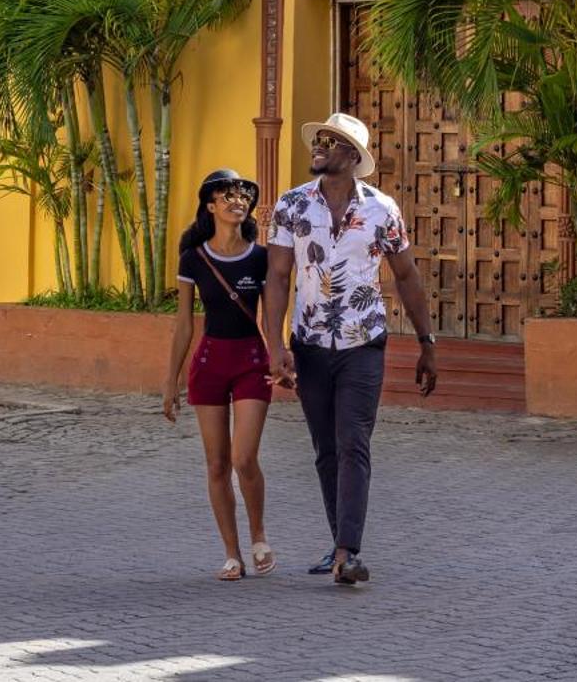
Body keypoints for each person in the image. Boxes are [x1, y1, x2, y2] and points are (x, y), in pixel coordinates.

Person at [262, 112, 438, 587]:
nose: (318, 146)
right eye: (318, 139)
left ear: (352, 156)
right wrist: (274, 344)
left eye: (330, 141)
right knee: (325, 449)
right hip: (312, 343)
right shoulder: (291, 206)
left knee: (353, 442)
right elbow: (277, 277)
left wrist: (427, 342)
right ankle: (339, 543)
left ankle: (347, 551)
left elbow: (406, 276)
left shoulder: (382, 210)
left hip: (364, 344)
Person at [162, 168, 275, 581]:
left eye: (243, 196)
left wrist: (281, 357)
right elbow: (184, 325)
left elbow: (274, 314)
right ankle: (232, 554)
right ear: (210, 206)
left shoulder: (260, 258)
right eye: (227, 196)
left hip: (251, 361)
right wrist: (170, 382)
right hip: (209, 364)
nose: (237, 201)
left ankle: (259, 536)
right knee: (216, 464)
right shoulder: (193, 258)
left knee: (244, 458)